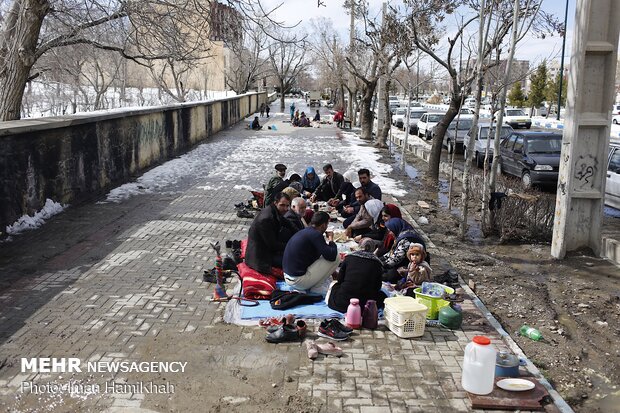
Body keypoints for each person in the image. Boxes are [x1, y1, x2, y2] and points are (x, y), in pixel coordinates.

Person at [282, 212, 340, 294]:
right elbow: (332, 256)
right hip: (298, 281)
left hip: (288, 277)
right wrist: (331, 239)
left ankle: (313, 284)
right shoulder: (316, 235)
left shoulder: (306, 231)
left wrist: (331, 271)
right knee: (337, 257)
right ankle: (317, 287)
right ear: (323, 225)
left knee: (323, 255)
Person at [326, 238, 384, 313]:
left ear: (360, 246)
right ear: (373, 248)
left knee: (334, 287)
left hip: (342, 302)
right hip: (364, 304)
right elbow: (377, 286)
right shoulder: (377, 263)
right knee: (382, 295)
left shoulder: (349, 258)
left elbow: (340, 279)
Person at [245, 193, 293, 274]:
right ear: (275, 203)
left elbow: (288, 223)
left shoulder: (275, 210)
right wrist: (292, 245)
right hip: (260, 258)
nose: (285, 208)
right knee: (294, 261)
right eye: (282, 205)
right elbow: (273, 245)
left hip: (267, 249)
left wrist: (300, 233)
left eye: (287, 206)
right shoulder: (266, 219)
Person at [381, 218, 427, 283]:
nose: (390, 233)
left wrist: (380, 264)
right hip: (404, 262)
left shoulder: (406, 240)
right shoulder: (403, 235)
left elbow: (395, 259)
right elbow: (392, 253)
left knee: (385, 275)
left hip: (412, 266)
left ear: (396, 227)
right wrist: (380, 259)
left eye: (390, 230)